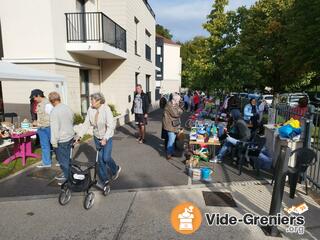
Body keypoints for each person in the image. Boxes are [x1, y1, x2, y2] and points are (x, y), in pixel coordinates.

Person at [78, 92, 121, 188]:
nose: (91, 102)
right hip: (97, 138)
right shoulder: (90, 110)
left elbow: (111, 126)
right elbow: (86, 123)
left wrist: (105, 138)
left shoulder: (106, 109)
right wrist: (80, 136)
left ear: (99, 101)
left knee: (106, 158)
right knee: (100, 160)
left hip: (107, 137)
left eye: (92, 100)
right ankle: (105, 180)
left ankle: (115, 169)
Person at [49, 92, 75, 182]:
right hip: (70, 136)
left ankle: (69, 179)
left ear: (51, 101)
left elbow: (54, 129)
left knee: (63, 161)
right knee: (68, 159)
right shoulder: (67, 108)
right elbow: (72, 120)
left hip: (61, 139)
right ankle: (69, 174)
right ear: (59, 99)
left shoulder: (54, 111)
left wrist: (53, 142)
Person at [30, 89, 53, 168]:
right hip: (41, 128)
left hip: (48, 127)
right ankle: (46, 163)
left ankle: (62, 161)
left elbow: (53, 117)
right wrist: (36, 122)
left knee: (55, 144)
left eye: (34, 97)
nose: (34, 99)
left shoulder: (48, 104)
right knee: (44, 146)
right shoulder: (39, 103)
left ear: (38, 95)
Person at [162, 93, 184, 160]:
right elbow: (176, 114)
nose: (179, 101)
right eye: (178, 99)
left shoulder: (175, 105)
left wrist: (179, 109)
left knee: (173, 139)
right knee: (171, 140)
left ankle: (172, 151)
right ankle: (169, 153)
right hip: (170, 125)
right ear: (175, 99)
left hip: (174, 124)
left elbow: (180, 112)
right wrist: (179, 110)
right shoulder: (169, 105)